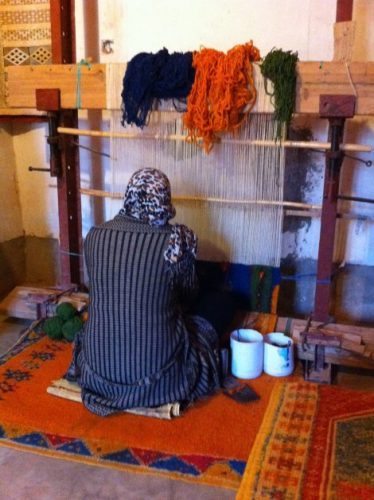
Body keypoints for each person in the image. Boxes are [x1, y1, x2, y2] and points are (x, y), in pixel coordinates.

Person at [67, 168, 235, 416]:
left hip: (97, 373)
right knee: (224, 301)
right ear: (165, 200)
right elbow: (188, 296)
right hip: (160, 379)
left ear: (129, 196)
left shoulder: (94, 236)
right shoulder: (177, 240)